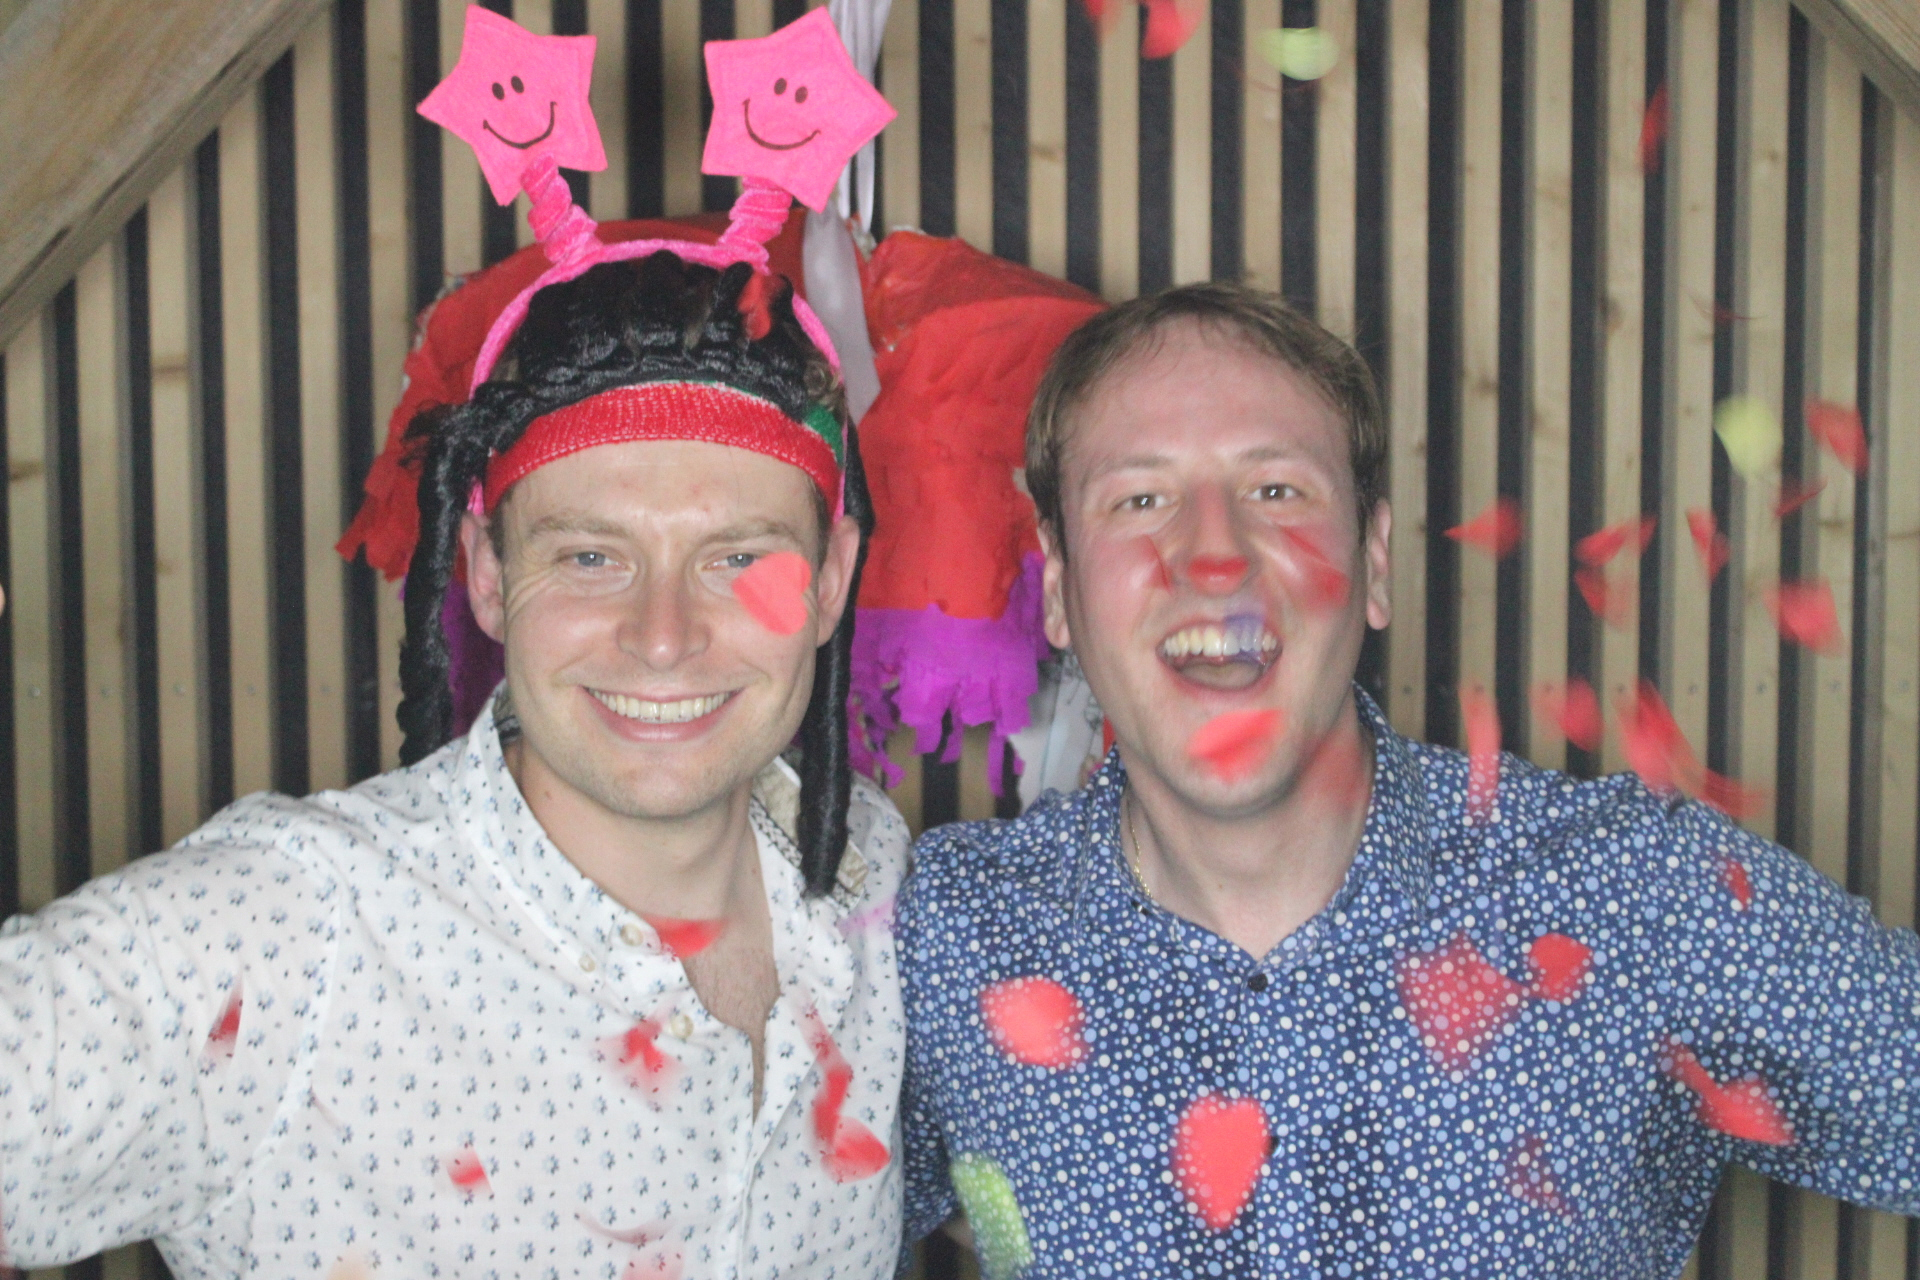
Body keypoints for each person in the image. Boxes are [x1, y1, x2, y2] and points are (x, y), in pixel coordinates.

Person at [896, 281, 1920, 1278]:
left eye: (1275, 490)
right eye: (1141, 498)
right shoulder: (947, 935)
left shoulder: (1641, 896)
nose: (1213, 556)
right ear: (1061, 589)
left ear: (1375, 562)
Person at [0, 202, 908, 1280]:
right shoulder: (281, 935)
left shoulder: (871, 874)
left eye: (736, 558)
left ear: (831, 580)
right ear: (484, 574)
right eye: (589, 558)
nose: (663, 637)